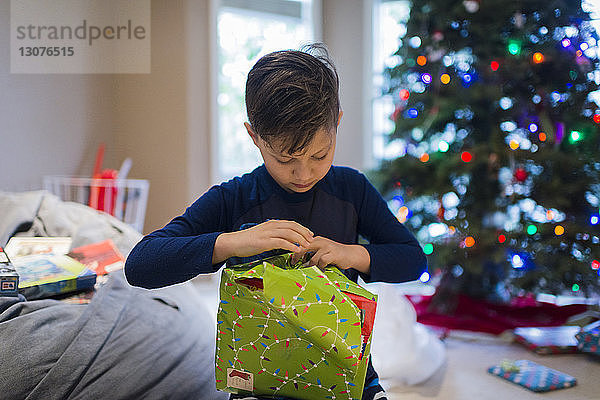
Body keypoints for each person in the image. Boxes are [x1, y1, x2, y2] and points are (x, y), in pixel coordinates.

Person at [125, 43, 427, 400]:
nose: (304, 173)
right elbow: (141, 264)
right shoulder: (234, 198)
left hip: (345, 367)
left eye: (319, 155)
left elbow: (413, 260)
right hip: (259, 375)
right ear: (254, 136)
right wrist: (233, 242)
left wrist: (352, 254)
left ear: (338, 123)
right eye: (284, 159)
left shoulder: (351, 190)